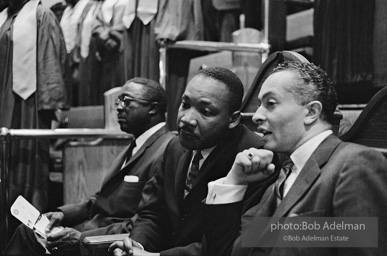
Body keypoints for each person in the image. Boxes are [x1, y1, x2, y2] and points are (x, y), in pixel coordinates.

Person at [200, 61, 387, 255]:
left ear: (311, 112)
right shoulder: (282, 175)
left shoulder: (355, 164)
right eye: (259, 105)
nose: (256, 116)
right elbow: (230, 252)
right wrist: (234, 182)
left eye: (270, 104)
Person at [108, 67, 278, 256]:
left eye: (205, 111)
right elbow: (153, 213)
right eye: (185, 104)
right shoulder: (175, 146)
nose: (187, 119)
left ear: (233, 119)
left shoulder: (255, 158)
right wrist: (135, 246)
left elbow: (234, 243)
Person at [4, 78, 175, 255]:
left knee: (28, 237)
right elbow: (102, 199)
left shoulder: (166, 150)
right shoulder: (137, 143)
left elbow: (144, 223)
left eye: (126, 101)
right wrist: (63, 214)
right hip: (90, 230)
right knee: (29, 231)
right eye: (118, 101)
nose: (118, 107)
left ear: (153, 108)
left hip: (103, 243)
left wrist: (82, 238)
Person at [0, 0, 67, 231]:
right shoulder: (4, 16)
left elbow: (52, 62)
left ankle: (27, 236)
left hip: (27, 105)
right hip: (3, 100)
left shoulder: (41, 15)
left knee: (26, 169)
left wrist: (51, 105)